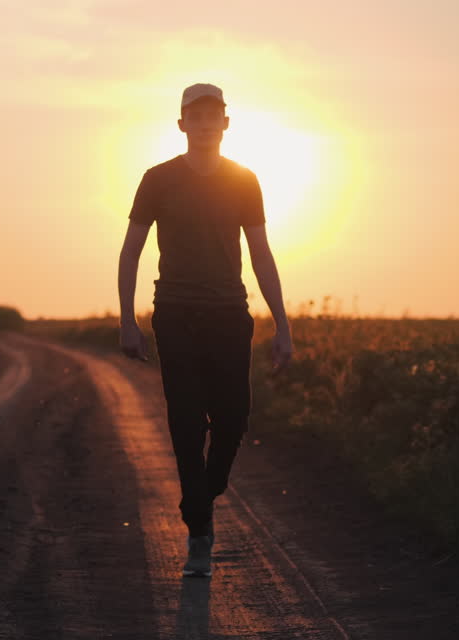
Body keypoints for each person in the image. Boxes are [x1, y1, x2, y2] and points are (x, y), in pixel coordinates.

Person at [117, 83, 294, 578]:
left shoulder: (245, 181)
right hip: (174, 314)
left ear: (225, 124)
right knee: (186, 421)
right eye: (195, 117)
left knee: (234, 419)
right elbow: (131, 250)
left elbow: (261, 254)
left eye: (213, 115)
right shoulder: (158, 179)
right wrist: (127, 320)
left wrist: (283, 325)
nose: (205, 124)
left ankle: (200, 495)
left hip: (228, 314)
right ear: (181, 125)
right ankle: (200, 532)